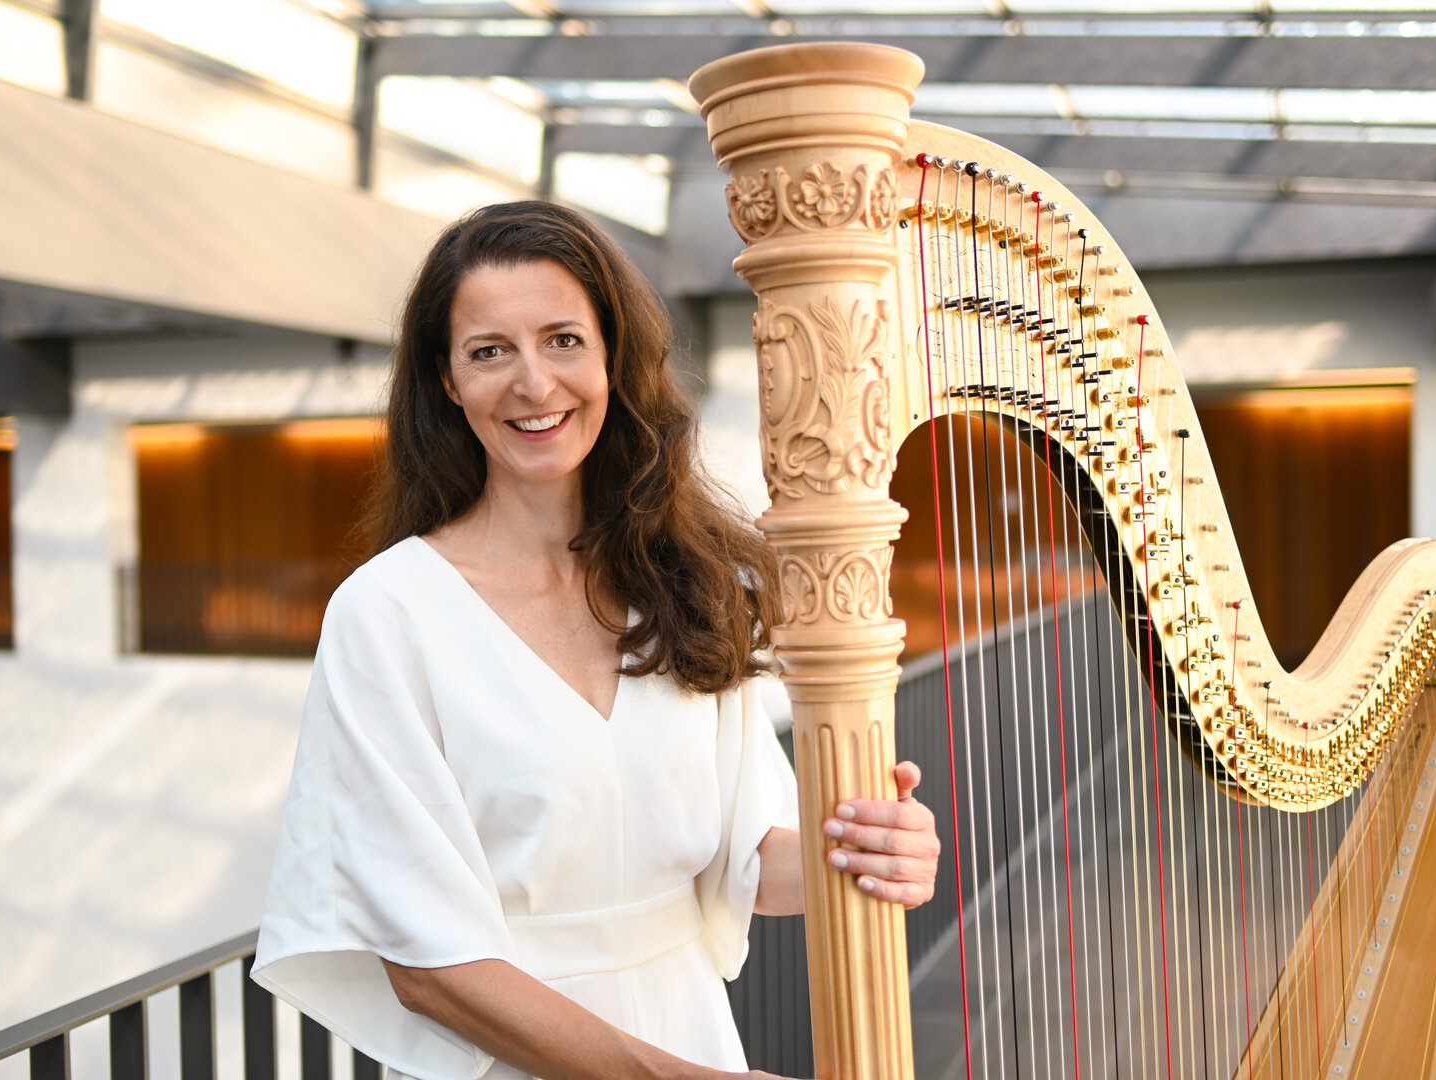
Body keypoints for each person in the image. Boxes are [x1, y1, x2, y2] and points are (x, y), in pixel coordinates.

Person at [251, 201, 940, 1080]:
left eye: (563, 340)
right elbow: (425, 968)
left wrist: (865, 851)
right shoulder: (387, 613)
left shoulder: (690, 582)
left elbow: (746, 864)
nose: (534, 384)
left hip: (691, 1032)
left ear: (612, 356)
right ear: (447, 381)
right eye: (489, 351)